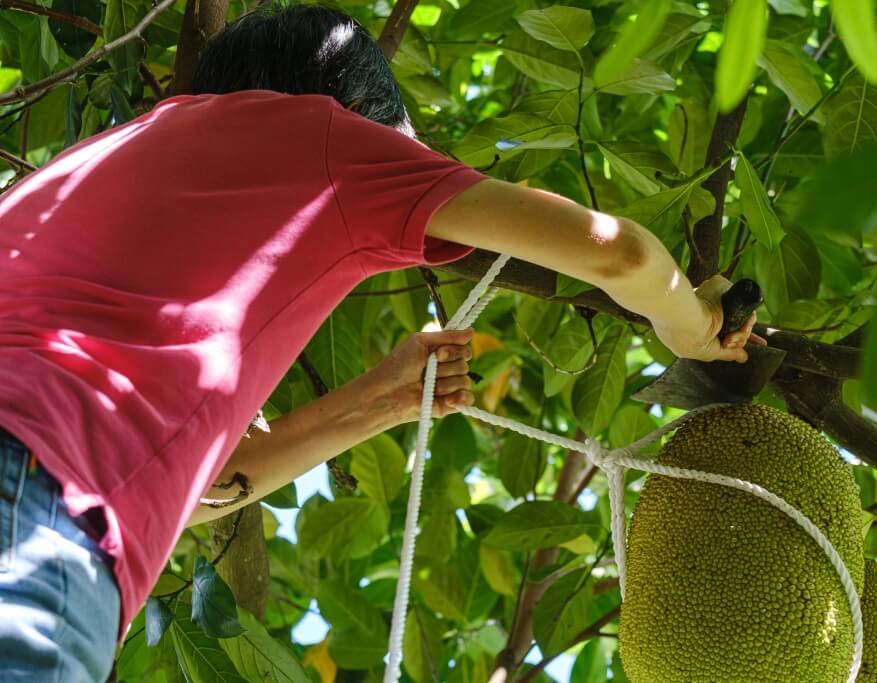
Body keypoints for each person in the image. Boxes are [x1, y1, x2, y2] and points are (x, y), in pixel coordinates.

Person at [0, 3, 762, 680]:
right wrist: (692, 328)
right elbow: (617, 254)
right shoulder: (321, 138)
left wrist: (375, 403)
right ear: (356, 113)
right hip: (37, 511)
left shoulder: (76, 173)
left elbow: (192, 485)